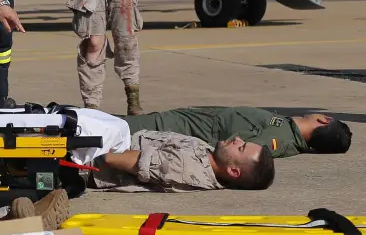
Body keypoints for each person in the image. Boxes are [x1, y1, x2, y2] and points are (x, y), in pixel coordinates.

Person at [123, 106, 352, 158]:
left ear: (324, 120)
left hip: (180, 128)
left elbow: (246, 151)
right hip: (187, 121)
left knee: (114, 128)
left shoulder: (280, 138)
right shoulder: (286, 131)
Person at [89, 130, 275, 192]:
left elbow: (110, 158)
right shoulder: (210, 156)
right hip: (110, 135)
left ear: (234, 171)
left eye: (241, 148)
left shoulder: (187, 167)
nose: (238, 140)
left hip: (89, 156)